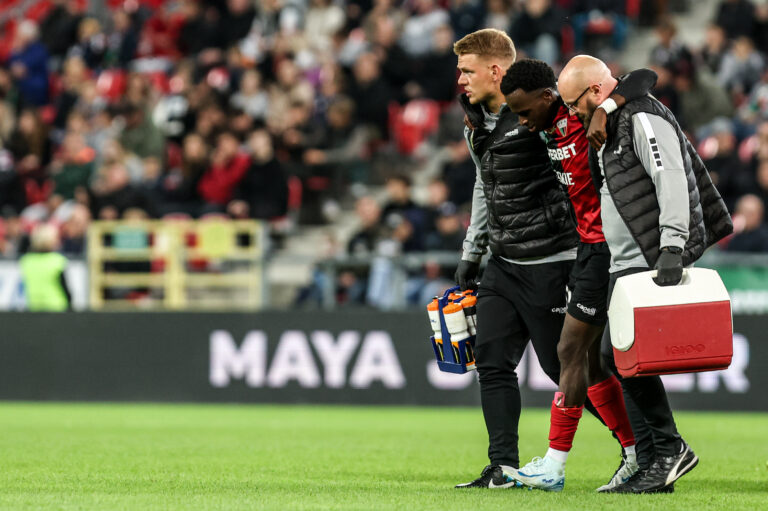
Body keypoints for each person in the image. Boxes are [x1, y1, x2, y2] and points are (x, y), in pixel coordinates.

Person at [557, 54, 733, 493]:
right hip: (624, 259)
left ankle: (670, 450)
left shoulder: (642, 116)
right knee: (611, 358)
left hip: (645, 257)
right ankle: (654, 461)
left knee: (623, 358)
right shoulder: (613, 120)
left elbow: (669, 175)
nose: (575, 115)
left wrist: (672, 246)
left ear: (596, 92)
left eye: (576, 104)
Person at [500, 59, 658, 492]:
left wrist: (607, 107)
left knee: (575, 351)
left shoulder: (582, 109)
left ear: (549, 98)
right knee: (589, 358)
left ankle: (555, 464)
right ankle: (634, 452)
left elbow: (643, 77)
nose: (523, 121)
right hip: (586, 247)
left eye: (525, 111)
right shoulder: (544, 124)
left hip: (610, 245)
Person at [451, 28, 578, 489]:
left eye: (467, 70)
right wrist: (473, 252)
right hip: (503, 263)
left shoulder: (540, 115)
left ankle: (644, 446)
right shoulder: (476, 124)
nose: (460, 79)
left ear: (496, 71)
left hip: (550, 259)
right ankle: (502, 466)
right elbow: (486, 187)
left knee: (563, 369)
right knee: (491, 361)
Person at [19, 224, 72, 312]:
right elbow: (65, 288)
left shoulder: (26, 261)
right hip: (57, 307)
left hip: (34, 307)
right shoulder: (58, 261)